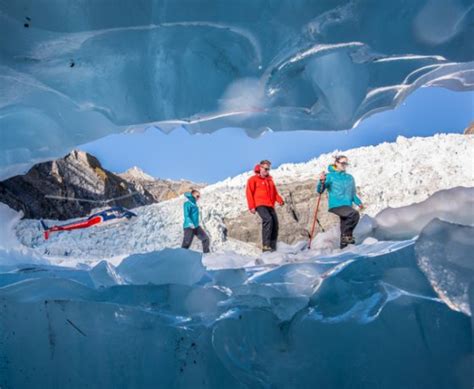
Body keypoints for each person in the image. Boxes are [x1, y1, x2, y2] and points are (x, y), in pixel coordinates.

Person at [316, 155, 364, 249]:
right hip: (336, 205)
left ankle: (345, 247)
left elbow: (352, 193)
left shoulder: (350, 177)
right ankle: (346, 241)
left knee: (345, 224)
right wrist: (321, 181)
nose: (344, 165)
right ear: (336, 163)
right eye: (342, 163)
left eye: (346, 163)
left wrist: (358, 202)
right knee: (354, 214)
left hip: (347, 205)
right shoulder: (329, 176)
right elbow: (320, 190)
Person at [246, 160, 284, 252]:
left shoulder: (270, 181)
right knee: (268, 220)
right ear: (260, 168)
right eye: (266, 169)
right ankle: (266, 247)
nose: (267, 171)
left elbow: (274, 193)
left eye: (268, 169)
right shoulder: (253, 179)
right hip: (260, 204)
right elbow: (249, 193)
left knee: (275, 224)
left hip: (270, 205)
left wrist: (280, 200)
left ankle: (272, 247)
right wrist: (251, 206)